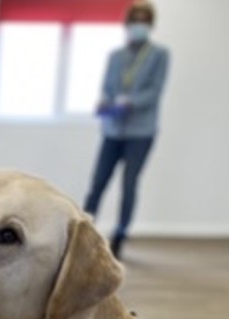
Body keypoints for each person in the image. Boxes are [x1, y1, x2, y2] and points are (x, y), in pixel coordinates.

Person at [82, 1, 170, 259]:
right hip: (112, 130)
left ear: (150, 25)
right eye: (135, 20)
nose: (139, 25)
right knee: (97, 183)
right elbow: (108, 87)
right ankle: (84, 231)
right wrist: (106, 102)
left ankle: (120, 234)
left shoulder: (159, 55)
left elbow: (154, 92)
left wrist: (130, 102)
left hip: (140, 132)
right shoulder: (115, 56)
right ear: (127, 24)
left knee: (129, 183)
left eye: (144, 20)